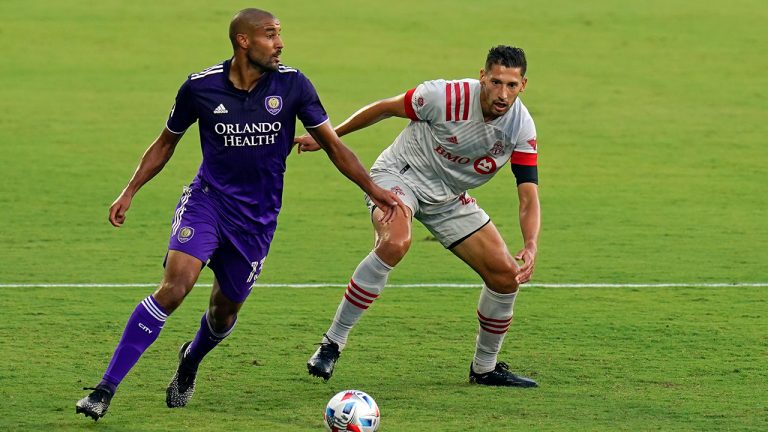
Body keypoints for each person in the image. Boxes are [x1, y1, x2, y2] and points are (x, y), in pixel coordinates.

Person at [75, 8, 404, 421]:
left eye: (280, 34)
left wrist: (375, 190)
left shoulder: (293, 85)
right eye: (271, 35)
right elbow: (165, 143)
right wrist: (130, 190)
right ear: (243, 41)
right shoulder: (200, 88)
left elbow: (335, 146)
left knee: (223, 311)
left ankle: (191, 359)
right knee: (175, 288)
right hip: (207, 202)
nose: (280, 43)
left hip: (257, 220)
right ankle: (104, 390)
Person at [296, 45, 541, 387]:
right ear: (482, 76)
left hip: (449, 198)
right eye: (496, 82)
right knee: (396, 242)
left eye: (511, 86)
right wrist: (328, 138)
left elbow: (528, 192)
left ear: (523, 85)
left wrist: (530, 244)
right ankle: (332, 344)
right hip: (401, 176)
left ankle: (484, 368)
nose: (502, 94)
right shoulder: (444, 95)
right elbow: (385, 109)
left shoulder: (521, 127)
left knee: (505, 277)